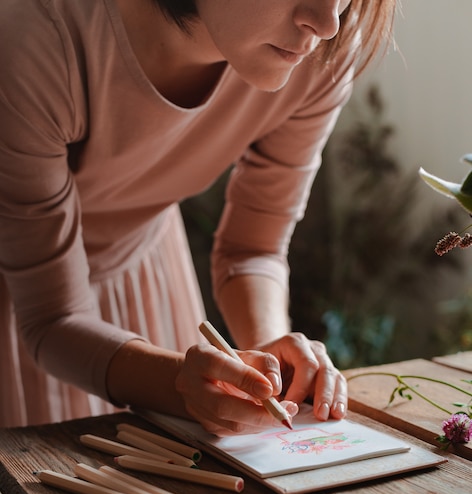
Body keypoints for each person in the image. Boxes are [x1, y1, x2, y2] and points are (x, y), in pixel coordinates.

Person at [0, 0, 396, 433]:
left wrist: (269, 355)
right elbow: (51, 317)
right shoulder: (37, 33)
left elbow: (253, 247)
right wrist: (178, 382)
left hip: (143, 272)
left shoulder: (323, 52)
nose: (326, 23)